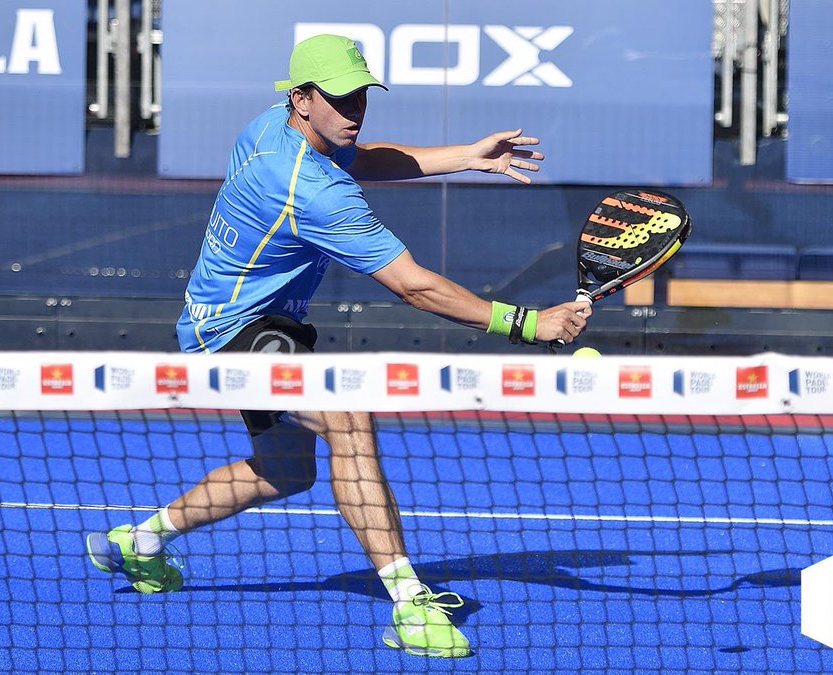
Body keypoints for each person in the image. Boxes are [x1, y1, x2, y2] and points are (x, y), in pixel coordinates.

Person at [87, 34, 591, 659]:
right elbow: (416, 287)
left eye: (360, 96)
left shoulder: (274, 124)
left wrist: (466, 155)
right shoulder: (312, 190)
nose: (354, 111)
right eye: (339, 99)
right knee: (349, 419)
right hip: (233, 334)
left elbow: (362, 156)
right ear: (301, 99)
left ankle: (138, 541)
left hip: (258, 324)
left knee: (286, 472)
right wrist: (527, 325)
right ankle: (411, 605)